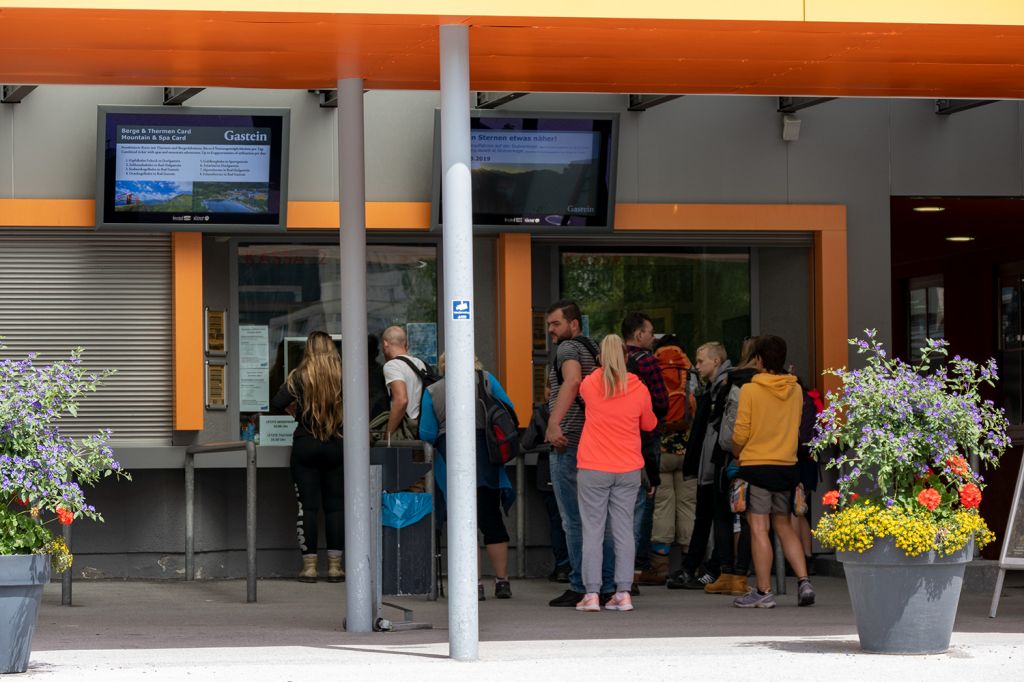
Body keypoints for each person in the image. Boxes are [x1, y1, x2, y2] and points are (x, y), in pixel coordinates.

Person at [419, 354, 517, 600]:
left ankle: (474, 584)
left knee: (464, 524)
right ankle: (502, 581)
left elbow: (426, 432)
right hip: (485, 457)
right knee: (491, 519)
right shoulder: (486, 380)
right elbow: (509, 410)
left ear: (443, 366)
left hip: (450, 459)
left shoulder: (433, 391)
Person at [575, 334, 658, 612]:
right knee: (624, 531)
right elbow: (649, 424)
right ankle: (623, 593)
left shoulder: (589, 384)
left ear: (599, 358)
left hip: (593, 466)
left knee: (593, 532)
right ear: (626, 357)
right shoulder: (639, 388)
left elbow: (587, 399)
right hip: (628, 468)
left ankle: (592, 595)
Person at [731, 335, 816, 608]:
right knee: (784, 524)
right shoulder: (796, 390)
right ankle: (804, 582)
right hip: (787, 466)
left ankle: (763, 591)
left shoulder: (750, 390)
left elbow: (741, 432)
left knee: (758, 528)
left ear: (759, 359)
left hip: (757, 465)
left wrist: (736, 450)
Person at [543, 299, 616, 607]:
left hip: (570, 441)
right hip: (599, 443)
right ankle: (609, 583)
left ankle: (580, 585)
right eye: (548, 325)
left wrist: (553, 424)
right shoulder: (596, 352)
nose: (550, 331)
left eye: (556, 324)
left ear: (574, 324)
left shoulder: (568, 349)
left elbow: (572, 381)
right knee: (604, 518)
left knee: (573, 519)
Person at [270, 330, 345, 583]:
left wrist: (297, 413)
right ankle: (335, 568)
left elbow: (277, 401)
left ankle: (310, 567)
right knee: (335, 508)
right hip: (336, 443)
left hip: (306, 443)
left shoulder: (299, 376)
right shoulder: (343, 375)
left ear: (309, 349)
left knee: (308, 508)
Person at [666, 342, 731, 589]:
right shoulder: (712, 388)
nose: (696, 365)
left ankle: (713, 569)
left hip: (716, 464)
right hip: (709, 463)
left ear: (716, 361)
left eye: (701, 360)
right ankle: (695, 568)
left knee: (714, 517)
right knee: (704, 517)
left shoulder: (724, 388)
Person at [706, 336, 759, 596]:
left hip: (732, 456)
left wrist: (734, 450)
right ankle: (740, 575)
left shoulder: (735, 382)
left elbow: (728, 432)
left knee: (724, 515)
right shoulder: (780, 383)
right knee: (750, 518)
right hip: (762, 455)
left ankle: (730, 573)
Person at [621, 312, 669, 586]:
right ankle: (637, 568)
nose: (653, 337)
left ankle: (617, 570)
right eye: (650, 332)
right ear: (639, 335)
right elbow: (660, 403)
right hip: (645, 439)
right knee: (643, 501)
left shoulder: (615, 361)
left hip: (616, 442)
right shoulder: (648, 361)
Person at [381, 325, 428, 438]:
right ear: (406, 344)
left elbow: (401, 400)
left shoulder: (392, 365)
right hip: (420, 427)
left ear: (385, 344)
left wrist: (388, 433)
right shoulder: (420, 364)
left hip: (406, 430)